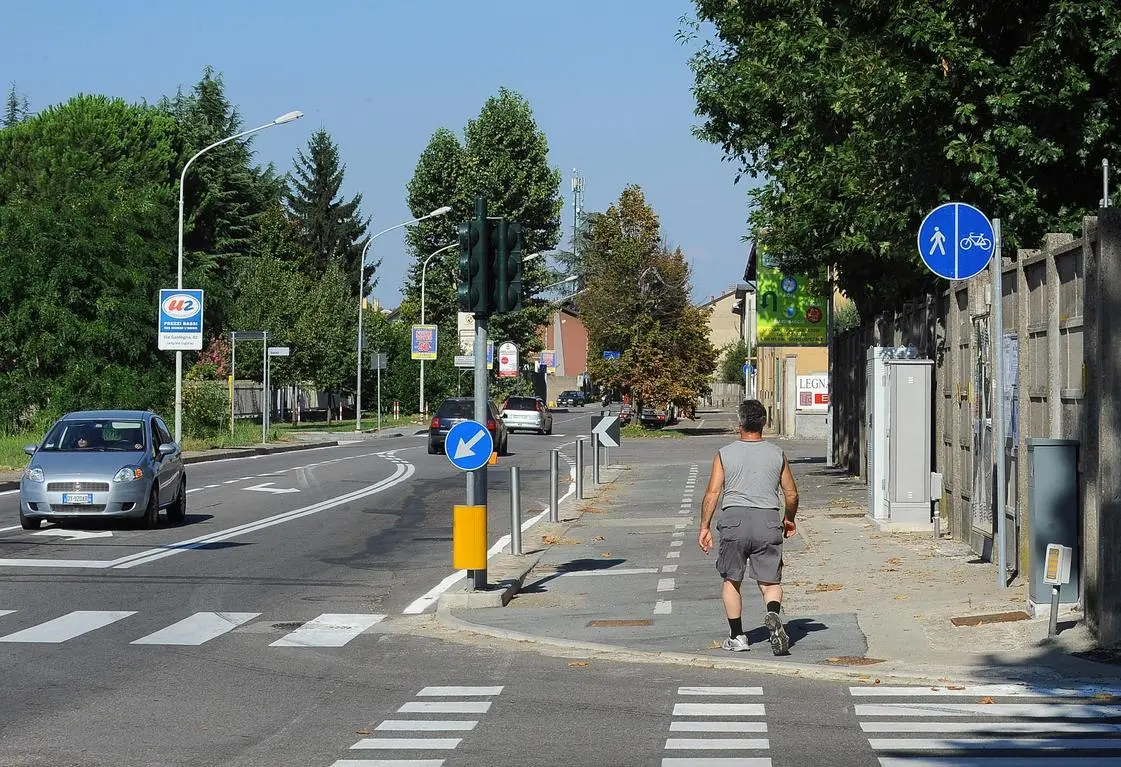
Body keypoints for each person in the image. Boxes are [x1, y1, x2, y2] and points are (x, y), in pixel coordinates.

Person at [698, 399, 799, 655]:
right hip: (767, 520)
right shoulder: (778, 454)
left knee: (732, 579)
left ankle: (737, 637)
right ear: (763, 424)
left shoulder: (725, 453)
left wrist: (705, 526)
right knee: (770, 581)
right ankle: (773, 615)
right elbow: (791, 494)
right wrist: (789, 519)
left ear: (740, 423)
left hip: (734, 520)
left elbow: (712, 493)